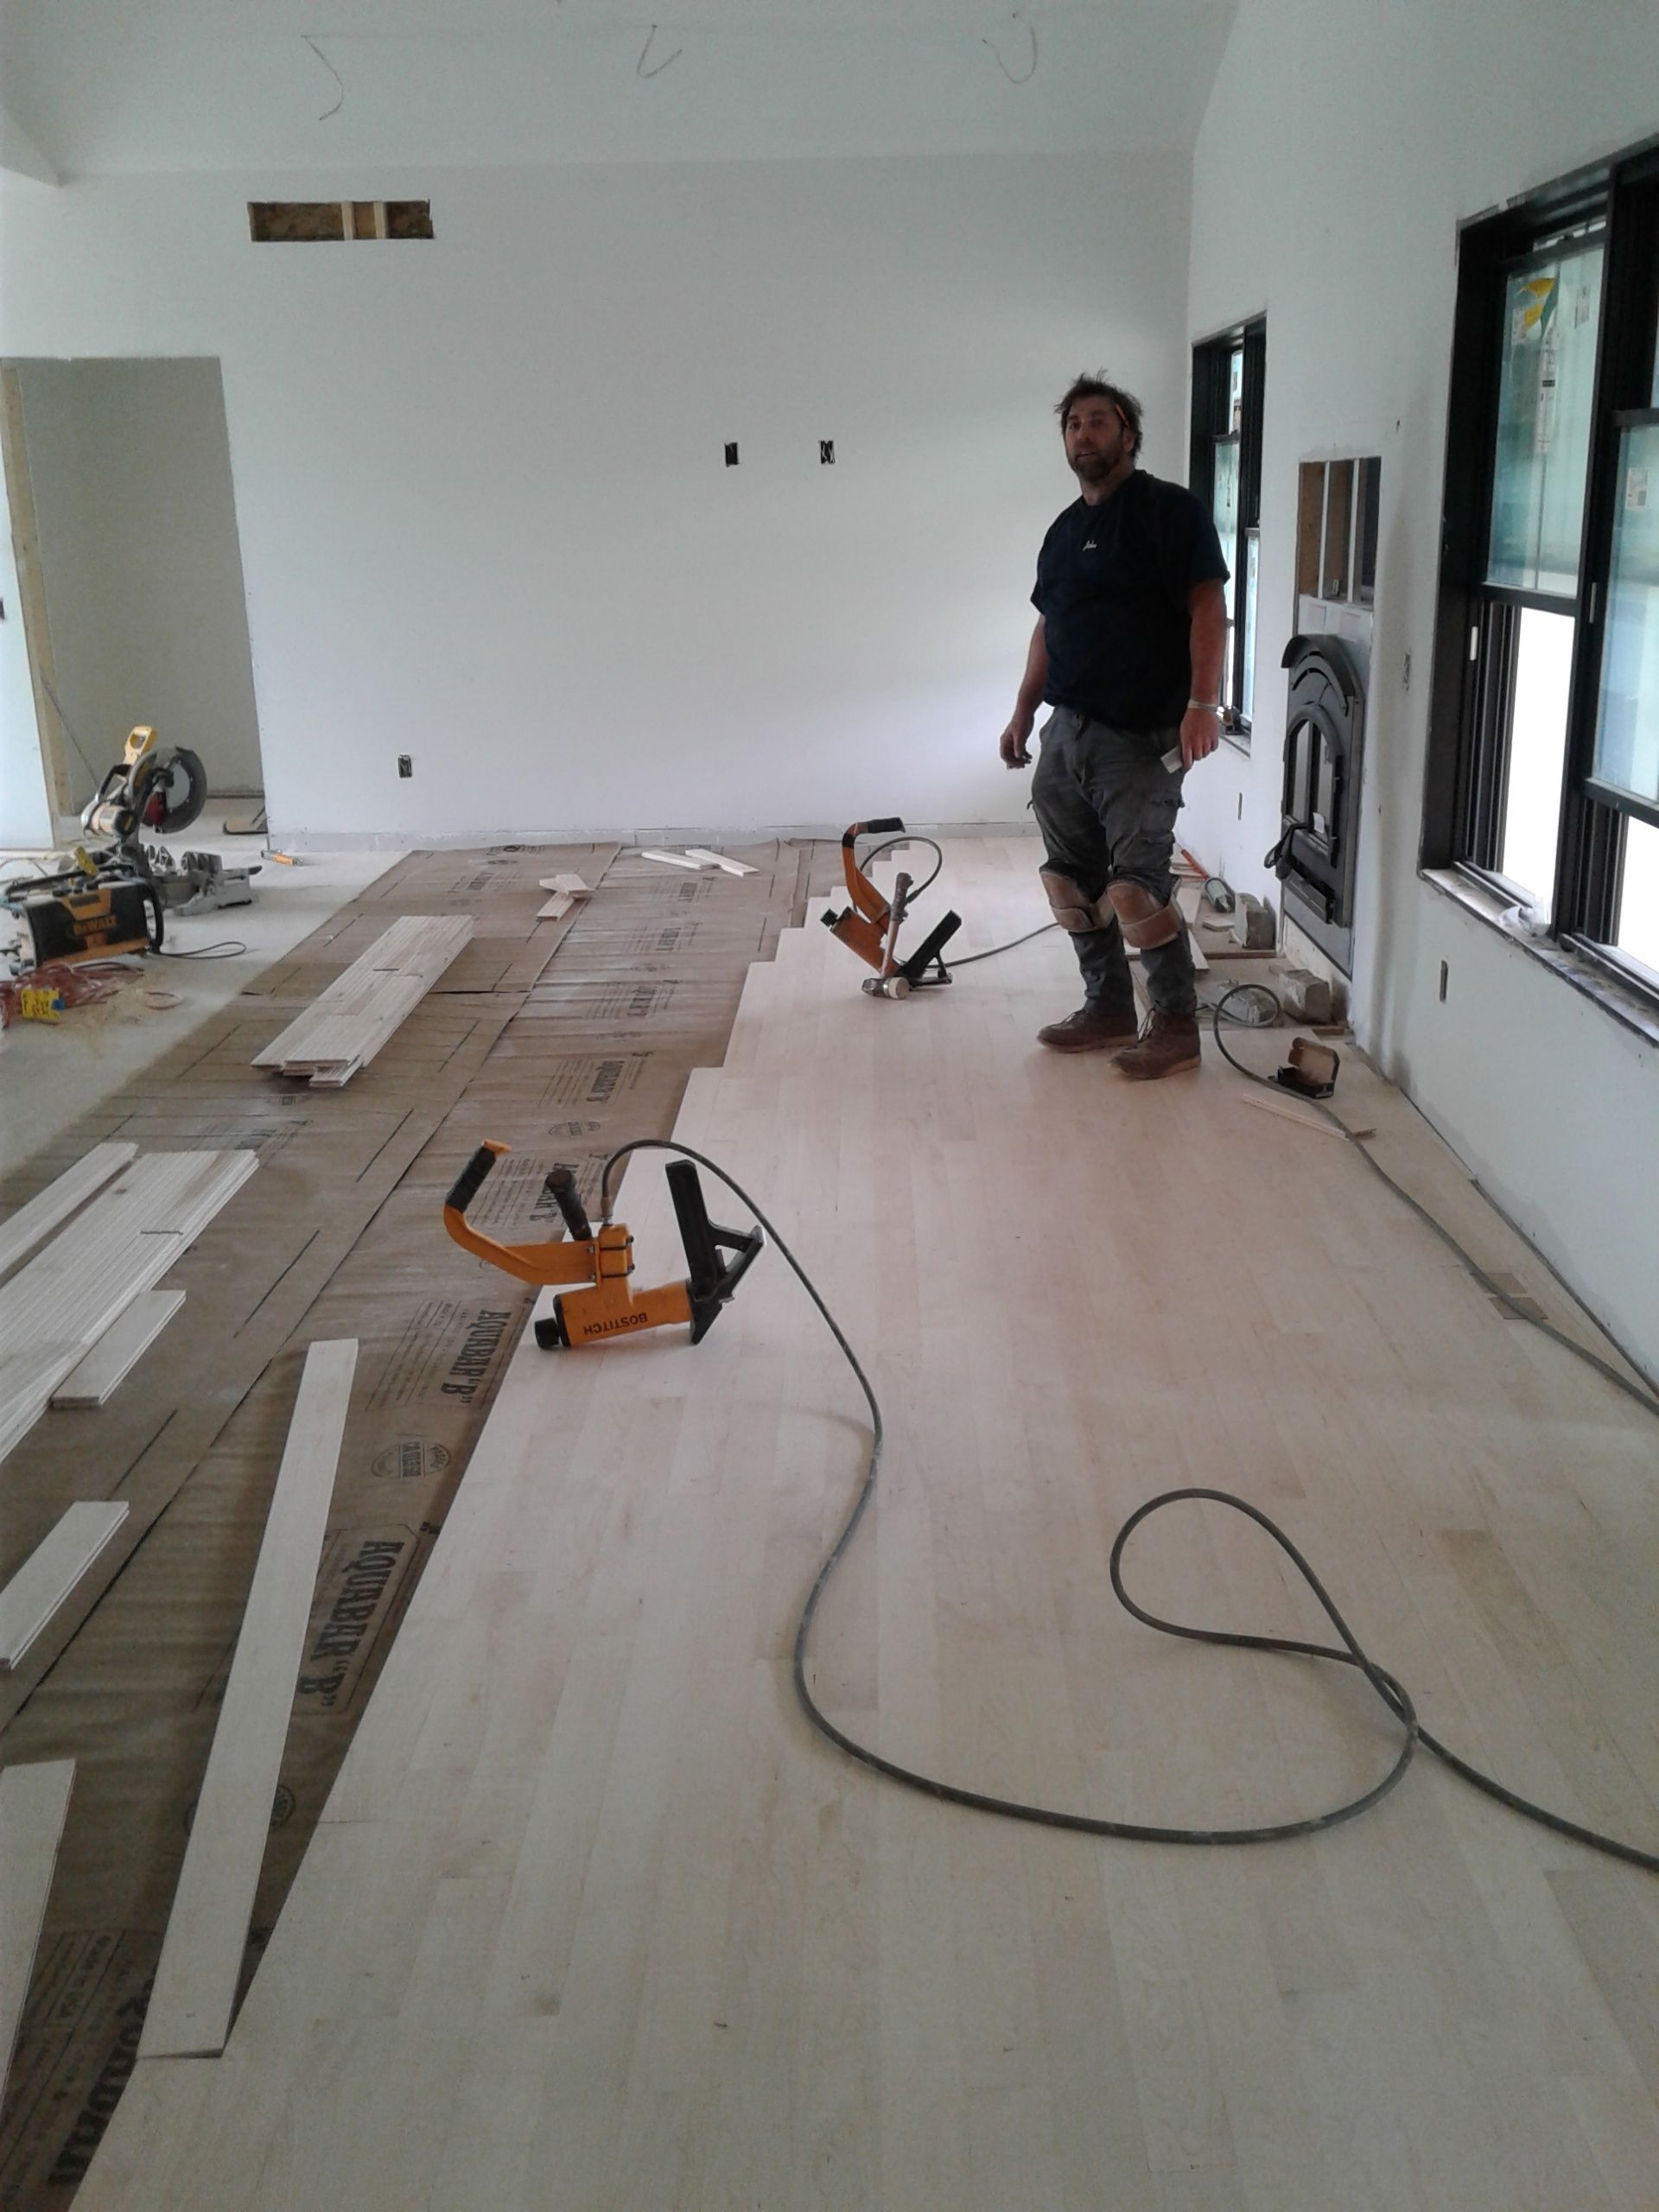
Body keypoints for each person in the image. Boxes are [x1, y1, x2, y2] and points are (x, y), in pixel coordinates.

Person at [999, 375, 1229, 1079]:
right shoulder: (1064, 532)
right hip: (1067, 732)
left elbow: (1207, 607)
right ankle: (1106, 1008)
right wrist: (1022, 711)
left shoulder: (1169, 512)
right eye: (1074, 425)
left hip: (1141, 734)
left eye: (1099, 422)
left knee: (1137, 886)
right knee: (1071, 883)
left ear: (1128, 434)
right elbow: (1049, 626)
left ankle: (1177, 1026)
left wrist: (1203, 704)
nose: (1084, 436)